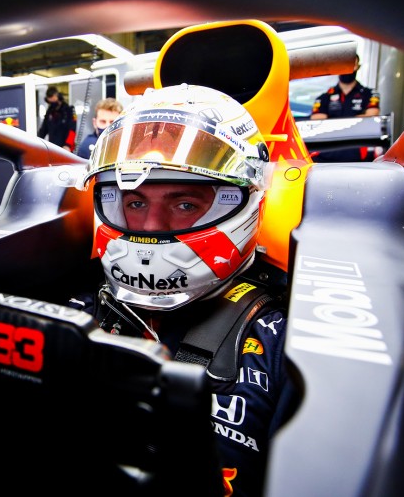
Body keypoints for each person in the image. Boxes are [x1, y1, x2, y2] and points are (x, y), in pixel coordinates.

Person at [71, 84, 297, 497]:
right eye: (135, 203)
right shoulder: (76, 310)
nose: (152, 226)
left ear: (248, 203)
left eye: (185, 204)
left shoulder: (282, 344)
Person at [309, 54, 381, 161]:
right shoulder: (325, 97)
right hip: (326, 154)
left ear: (358, 67)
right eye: (344, 65)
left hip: (358, 154)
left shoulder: (369, 93)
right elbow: (316, 120)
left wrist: (333, 123)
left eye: (352, 65)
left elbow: (372, 116)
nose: (347, 68)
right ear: (337, 68)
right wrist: (357, 120)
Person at [38, 86, 77, 151]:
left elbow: (72, 130)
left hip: (66, 148)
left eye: (53, 100)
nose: (52, 103)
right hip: (52, 148)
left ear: (58, 97)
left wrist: (68, 145)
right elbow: (43, 130)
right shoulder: (49, 112)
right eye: (50, 101)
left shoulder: (69, 110)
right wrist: (37, 142)